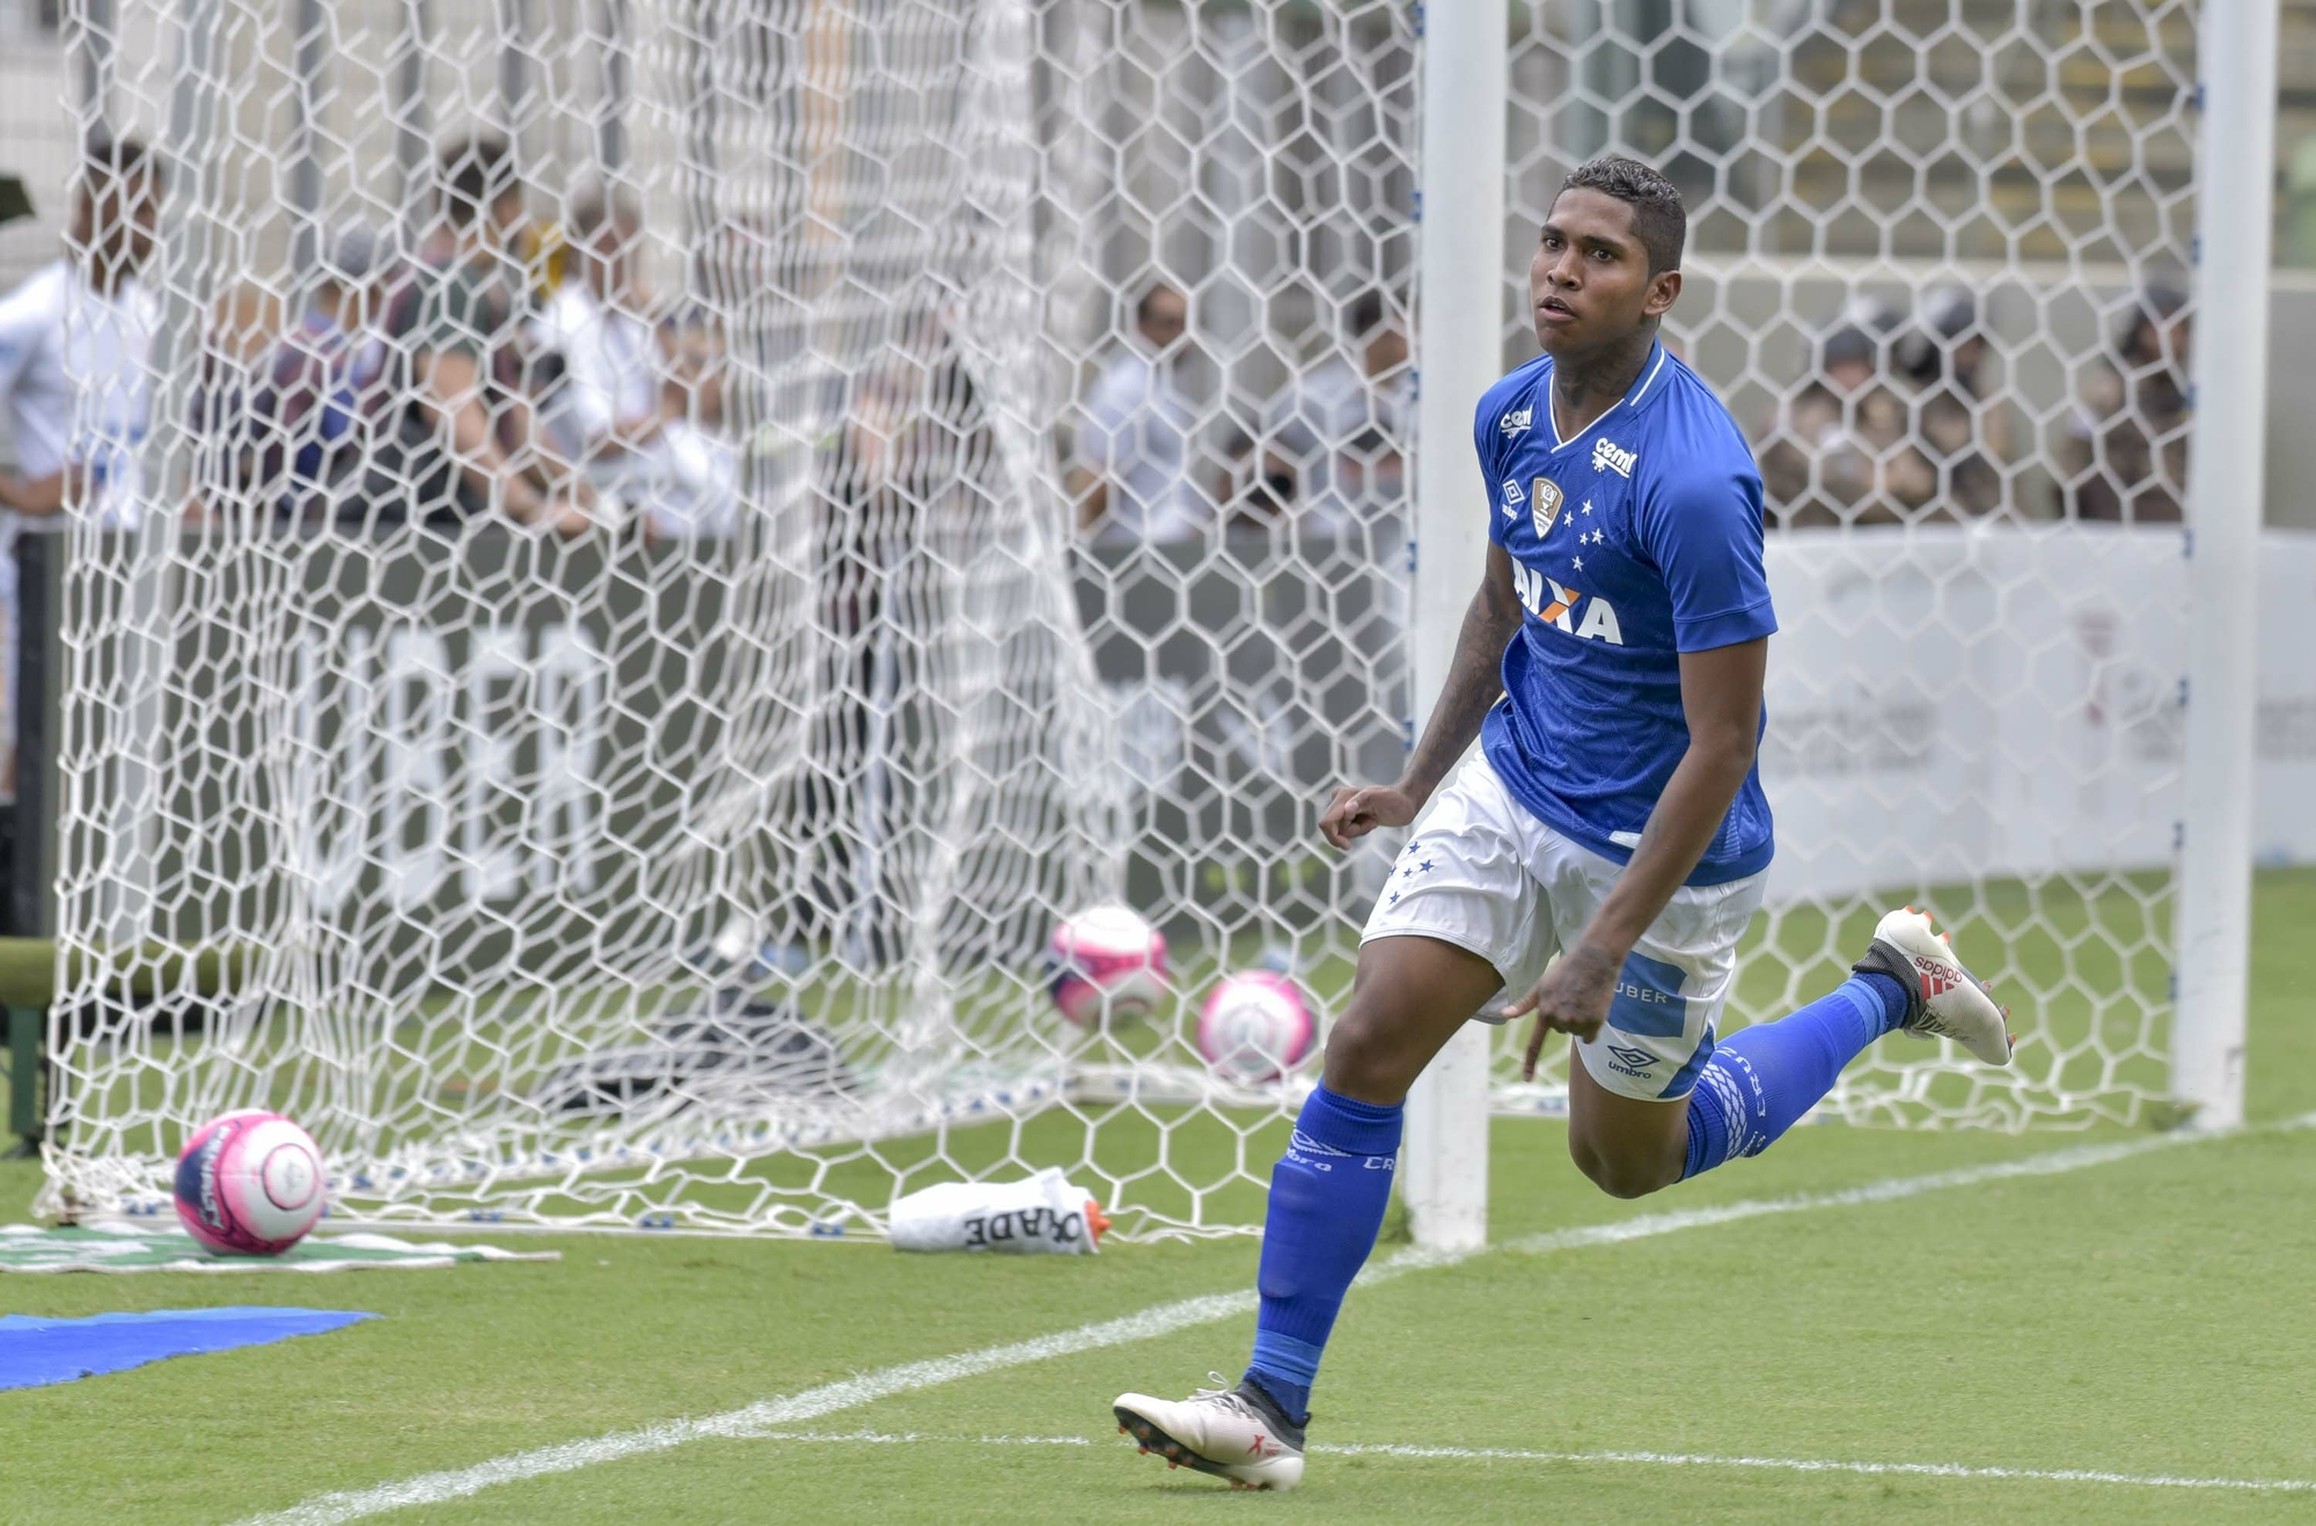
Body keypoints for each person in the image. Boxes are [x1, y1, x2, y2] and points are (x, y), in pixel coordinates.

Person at [1109, 156, 2015, 1492]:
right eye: (1551, 243)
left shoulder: (1698, 484)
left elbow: (1725, 741)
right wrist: (1420, 784)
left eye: (1598, 255)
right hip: (1512, 782)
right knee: (1364, 1039)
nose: (1559, 270)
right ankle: (1268, 1405)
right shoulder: (1509, 415)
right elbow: (1500, 608)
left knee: (1623, 1157)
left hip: (1665, 852)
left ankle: (1892, 986)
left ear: (1661, 291)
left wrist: (1603, 939)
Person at [369, 134, 586, 534]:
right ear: (506, 210)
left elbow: (514, 419)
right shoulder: (450, 283)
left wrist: (588, 500)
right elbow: (454, 414)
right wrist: (530, 508)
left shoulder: (465, 285)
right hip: (426, 526)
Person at [0, 135, 160, 526]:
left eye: (152, 213)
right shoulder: (35, 310)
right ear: (88, 208)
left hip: (134, 553)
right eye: (134, 210)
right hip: (56, 555)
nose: (146, 230)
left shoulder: (149, 313)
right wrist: (20, 497)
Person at [1249, 288, 1410, 538]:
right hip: (1328, 535)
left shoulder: (1417, 400)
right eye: (1407, 332)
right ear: (1381, 333)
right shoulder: (1315, 395)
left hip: (1400, 540)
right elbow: (1265, 446)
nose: (1415, 342)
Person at [1071, 282, 1206, 544]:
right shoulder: (1124, 390)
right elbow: (1099, 477)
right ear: (1141, 326)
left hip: (1170, 550)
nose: (1182, 334)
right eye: (1170, 323)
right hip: (1134, 550)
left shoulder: (1165, 387)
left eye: (1187, 323)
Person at [2063, 285, 2189, 524]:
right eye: (2157, 326)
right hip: (2114, 515)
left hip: (2173, 517)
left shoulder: (2189, 393)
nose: (2167, 337)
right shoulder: (2108, 390)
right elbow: (2073, 457)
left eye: (2176, 328)